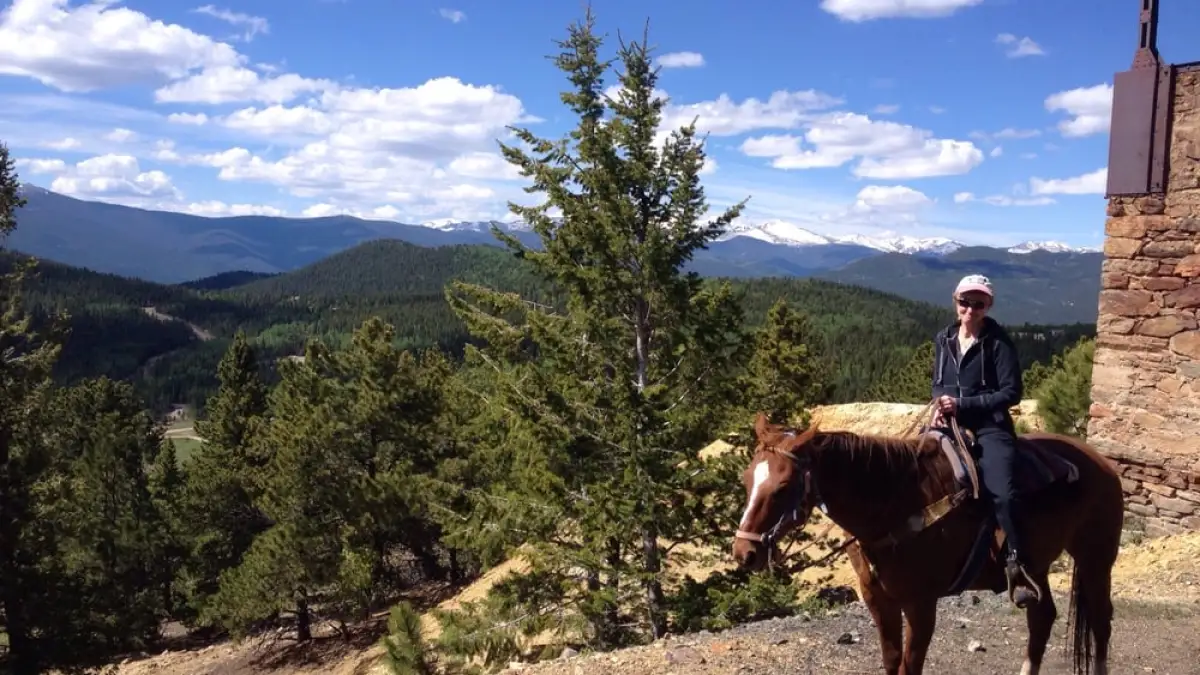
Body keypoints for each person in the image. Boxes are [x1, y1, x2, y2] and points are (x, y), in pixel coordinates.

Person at [930, 274, 1038, 608]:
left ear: (988, 305)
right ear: (955, 301)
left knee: (1002, 494)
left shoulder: (998, 342)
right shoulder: (944, 338)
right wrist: (939, 404)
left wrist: (962, 404)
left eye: (979, 303)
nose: (970, 309)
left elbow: (1011, 392)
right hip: (949, 424)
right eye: (965, 301)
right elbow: (938, 382)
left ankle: (1017, 563)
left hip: (990, 427)